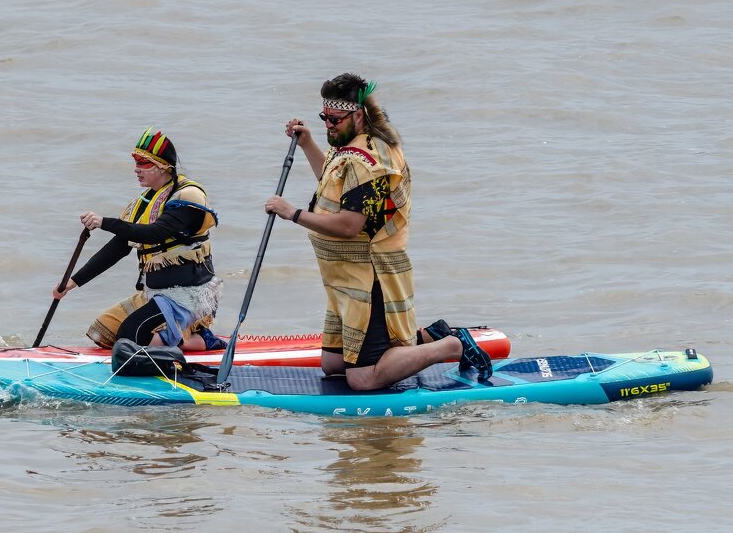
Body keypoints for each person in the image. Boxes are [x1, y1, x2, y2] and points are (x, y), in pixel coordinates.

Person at [264, 73, 492, 389]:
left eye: (334, 119)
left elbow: (349, 224)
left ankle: (450, 346)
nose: (328, 125)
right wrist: (308, 144)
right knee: (332, 367)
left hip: (369, 278)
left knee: (362, 379)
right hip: (344, 278)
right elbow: (333, 184)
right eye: (324, 118)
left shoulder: (368, 161)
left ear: (358, 115)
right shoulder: (350, 147)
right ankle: (430, 334)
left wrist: (293, 214)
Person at [53, 127, 225, 352]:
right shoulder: (143, 202)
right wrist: (71, 283)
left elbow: (155, 233)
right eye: (135, 163)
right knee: (103, 332)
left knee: (130, 337)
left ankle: (199, 340)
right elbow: (118, 247)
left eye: (143, 163)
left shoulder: (187, 195)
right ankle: (177, 333)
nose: (136, 170)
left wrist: (104, 222)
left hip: (187, 294)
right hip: (154, 293)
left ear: (163, 165)